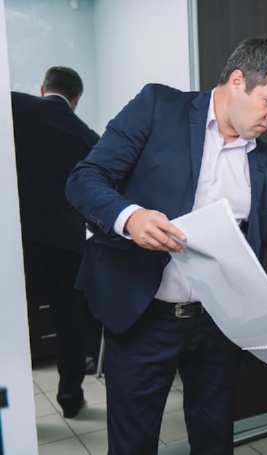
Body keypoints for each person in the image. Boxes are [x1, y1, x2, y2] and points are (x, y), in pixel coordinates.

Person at [65, 37, 267, 454]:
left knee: (214, 440)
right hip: (142, 316)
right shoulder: (158, 108)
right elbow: (84, 179)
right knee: (133, 443)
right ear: (237, 81)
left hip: (218, 324)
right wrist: (130, 217)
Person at [11, 66, 100, 418]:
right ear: (76, 99)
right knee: (69, 321)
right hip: (68, 241)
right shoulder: (88, 136)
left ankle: (14, 405)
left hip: (20, 238)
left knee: (15, 320)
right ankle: (71, 399)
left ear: (42, 88)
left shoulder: (14, 106)